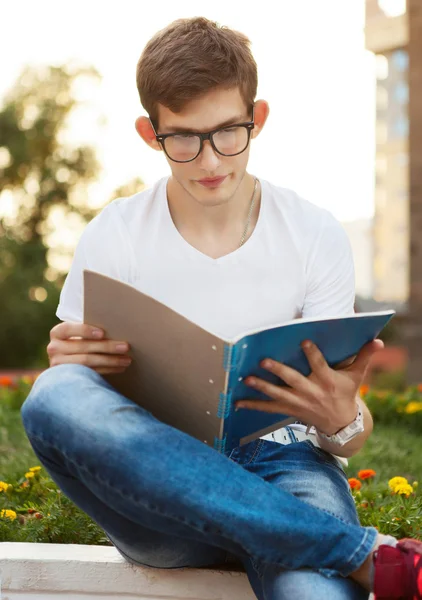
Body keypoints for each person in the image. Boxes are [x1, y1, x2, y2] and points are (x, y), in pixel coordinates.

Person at [21, 17, 421, 600]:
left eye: (228, 132)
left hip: (288, 469)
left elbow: (347, 439)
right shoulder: (116, 233)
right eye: (183, 138)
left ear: (257, 119)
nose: (209, 161)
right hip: (161, 496)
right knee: (53, 396)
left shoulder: (314, 234)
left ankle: (336, 553)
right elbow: (81, 404)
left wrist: (342, 420)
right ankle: (363, 556)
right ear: (148, 132)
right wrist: (71, 365)